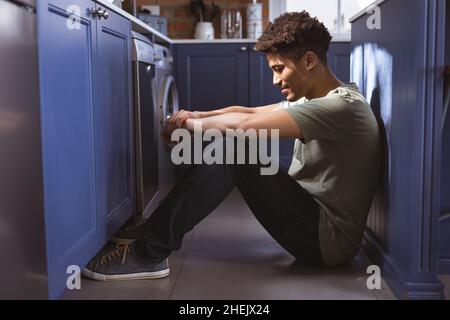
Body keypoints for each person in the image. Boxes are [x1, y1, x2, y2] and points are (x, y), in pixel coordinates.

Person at [82, 11, 381, 281]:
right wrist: (197, 115)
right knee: (236, 147)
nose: (276, 79)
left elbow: (243, 127)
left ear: (309, 61)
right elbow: (249, 112)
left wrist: (188, 128)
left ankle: (148, 253)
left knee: (236, 150)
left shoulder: (341, 108)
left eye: (279, 69)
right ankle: (152, 232)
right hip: (309, 216)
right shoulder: (314, 100)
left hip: (326, 240)